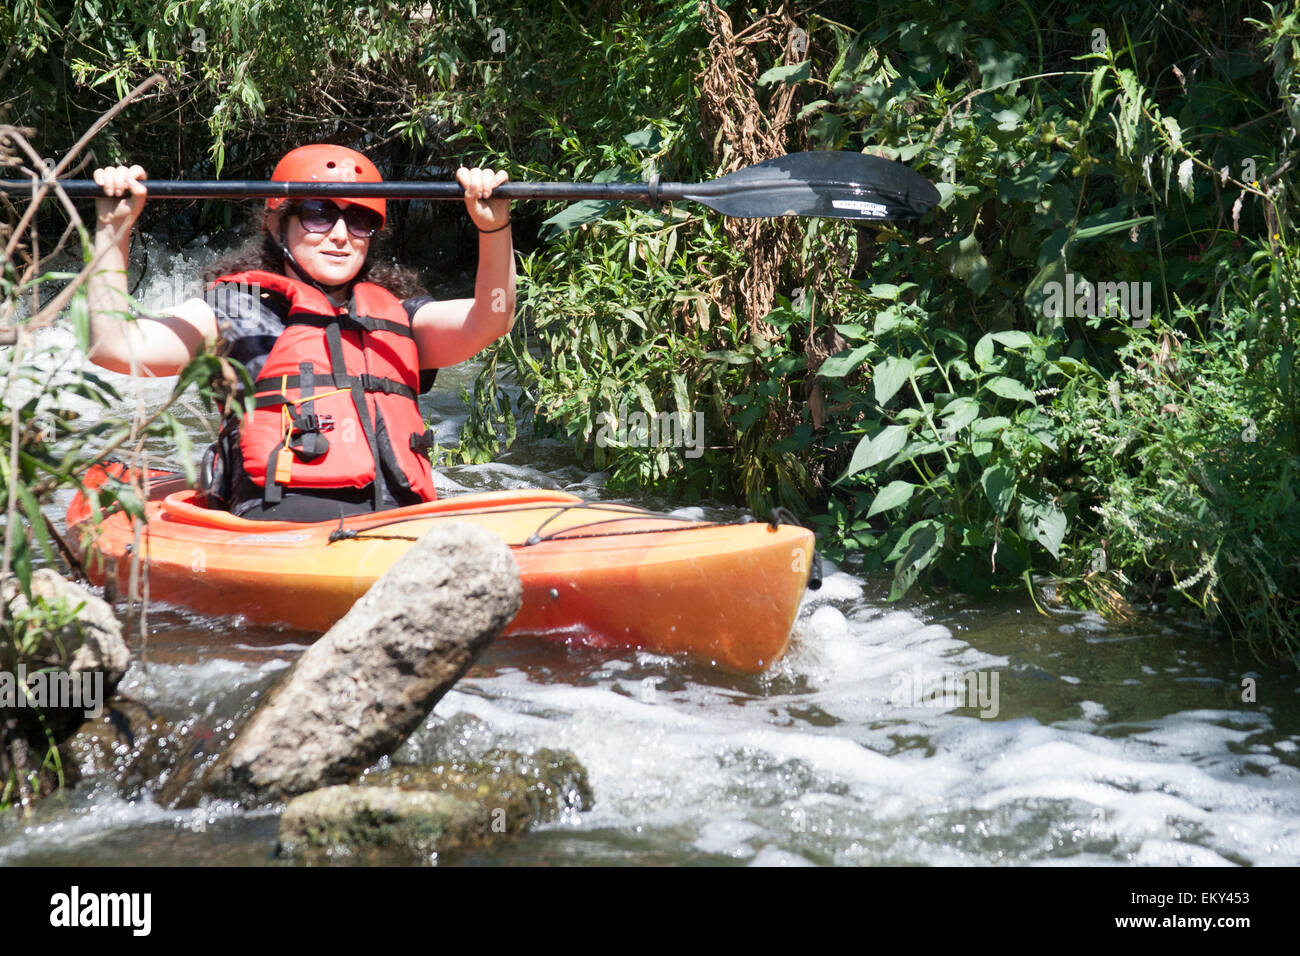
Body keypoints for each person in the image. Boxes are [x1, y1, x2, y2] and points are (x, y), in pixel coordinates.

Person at [86, 144, 515, 521]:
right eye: (318, 214)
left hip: (396, 522)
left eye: (361, 220)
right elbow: (111, 346)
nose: (341, 236)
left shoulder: (399, 318)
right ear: (277, 226)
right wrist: (113, 230)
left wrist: (494, 229)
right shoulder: (232, 312)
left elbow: (492, 318)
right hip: (277, 525)